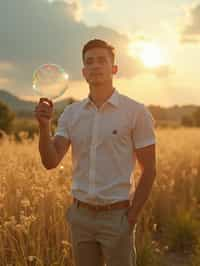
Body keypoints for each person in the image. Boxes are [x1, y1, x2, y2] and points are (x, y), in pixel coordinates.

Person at [34, 39, 156, 266]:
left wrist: (131, 218)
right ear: (83, 71)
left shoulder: (136, 112)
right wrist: (44, 126)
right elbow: (51, 161)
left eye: (102, 60)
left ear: (114, 68)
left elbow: (149, 170)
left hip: (117, 217)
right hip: (81, 217)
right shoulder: (71, 114)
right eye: (89, 62)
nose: (96, 66)